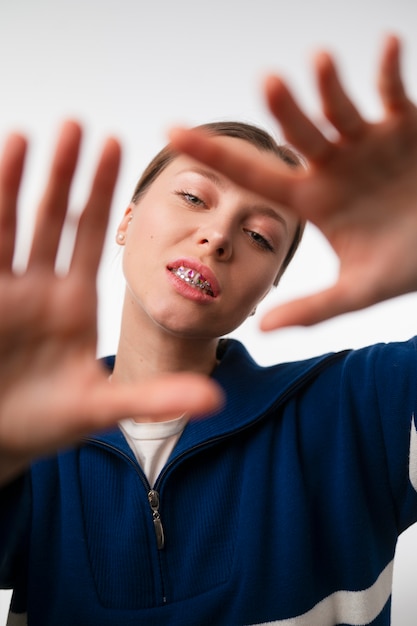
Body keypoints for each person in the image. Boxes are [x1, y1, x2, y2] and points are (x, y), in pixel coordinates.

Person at [0, 33, 416, 626]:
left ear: (269, 285)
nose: (218, 236)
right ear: (127, 220)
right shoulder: (28, 432)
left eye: (259, 237)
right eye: (194, 197)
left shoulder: (361, 408)